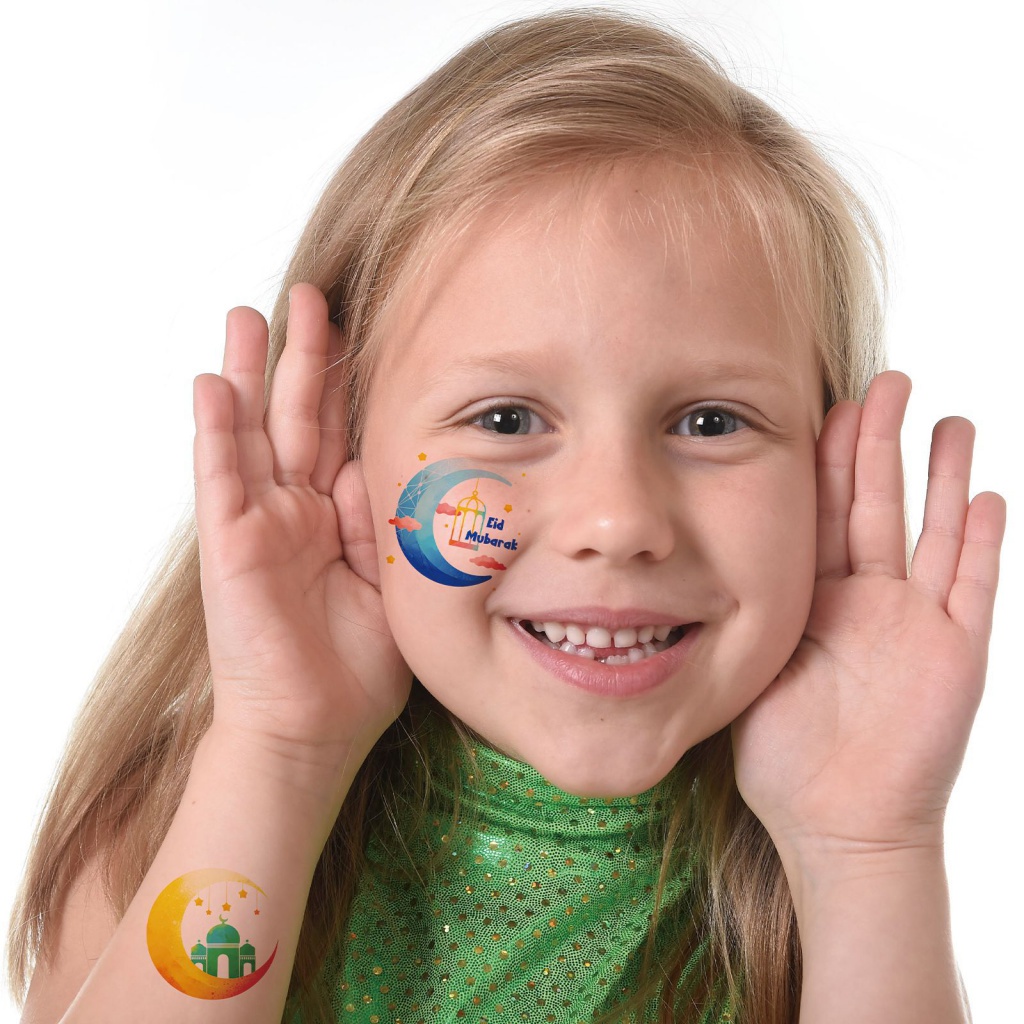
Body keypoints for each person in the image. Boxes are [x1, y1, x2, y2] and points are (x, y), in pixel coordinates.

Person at [6, 10, 1005, 1024]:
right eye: (506, 419)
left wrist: (863, 848)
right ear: (341, 448)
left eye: (710, 421)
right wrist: (282, 751)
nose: (616, 520)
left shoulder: (834, 879)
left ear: (826, 473)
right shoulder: (183, 823)